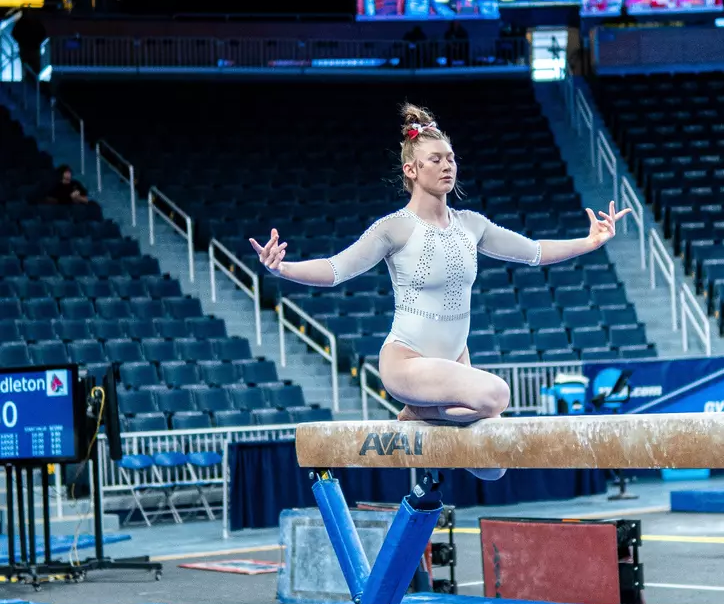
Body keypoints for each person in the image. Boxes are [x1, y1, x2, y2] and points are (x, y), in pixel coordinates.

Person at [249, 103, 629, 480]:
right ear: (411, 170)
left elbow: (534, 251)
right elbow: (336, 269)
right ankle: (422, 406)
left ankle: (425, 412)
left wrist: (589, 242)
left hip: (453, 365)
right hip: (407, 362)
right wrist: (281, 268)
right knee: (496, 395)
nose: (447, 165)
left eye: (451, 158)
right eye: (436, 159)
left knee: (494, 469)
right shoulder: (394, 228)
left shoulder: (472, 225)